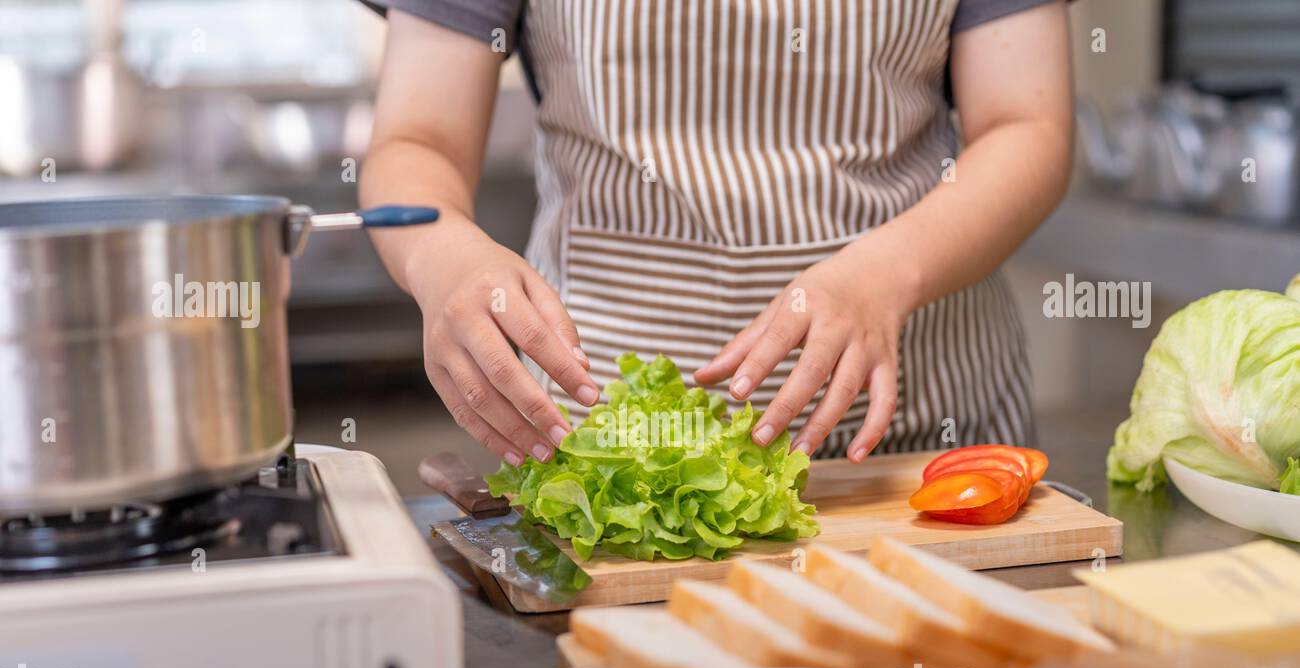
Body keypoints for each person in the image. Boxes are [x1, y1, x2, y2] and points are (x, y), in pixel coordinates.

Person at [360, 0, 1073, 465]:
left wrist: (888, 271)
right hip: (615, 449)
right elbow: (417, 142)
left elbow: (1026, 126)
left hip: (916, 440)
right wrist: (443, 258)